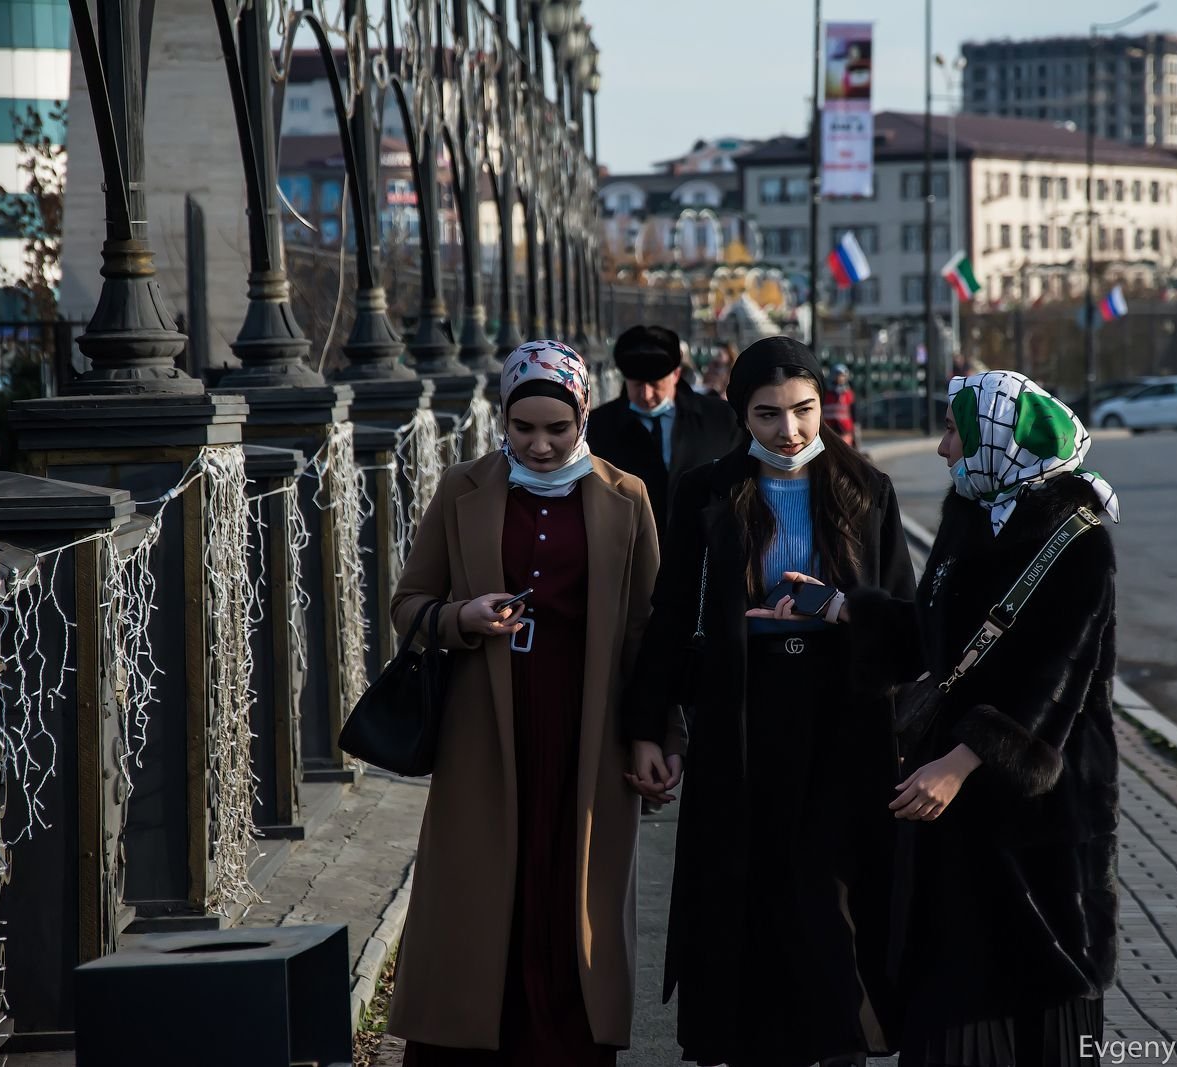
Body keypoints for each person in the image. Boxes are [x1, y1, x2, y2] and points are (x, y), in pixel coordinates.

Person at [387, 339, 681, 1065]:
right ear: (503, 421)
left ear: (584, 413)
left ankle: (567, 1047)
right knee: (483, 889)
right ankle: (464, 1043)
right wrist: (463, 616)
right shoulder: (463, 487)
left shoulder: (626, 495)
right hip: (485, 727)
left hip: (589, 727)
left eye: (559, 427)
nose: (542, 445)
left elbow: (651, 630)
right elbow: (408, 604)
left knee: (574, 891)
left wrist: (656, 735)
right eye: (525, 429)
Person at [624, 336, 916, 1067]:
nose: (789, 430)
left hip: (844, 715)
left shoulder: (867, 487)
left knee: (833, 897)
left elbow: (907, 624)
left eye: (804, 410)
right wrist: (651, 729)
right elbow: (667, 616)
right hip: (742, 714)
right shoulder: (705, 490)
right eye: (768, 415)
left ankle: (842, 1042)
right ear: (739, 414)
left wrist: (839, 608)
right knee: (745, 896)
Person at [844, 370, 1123, 1067]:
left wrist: (961, 760)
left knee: (1039, 1006)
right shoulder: (972, 510)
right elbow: (944, 643)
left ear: (1002, 442)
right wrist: (841, 609)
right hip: (957, 819)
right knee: (952, 1003)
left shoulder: (1075, 534)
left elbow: (1053, 684)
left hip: (1039, 824)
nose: (943, 448)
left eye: (954, 432)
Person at [587, 325, 743, 538]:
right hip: (631, 548)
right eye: (637, 384)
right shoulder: (599, 427)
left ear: (676, 375)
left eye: (654, 383)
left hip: (705, 550)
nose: (646, 394)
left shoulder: (722, 420)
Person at [822, 363, 858, 447]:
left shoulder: (848, 393)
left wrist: (855, 428)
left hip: (845, 429)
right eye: (839, 375)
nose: (841, 378)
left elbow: (853, 411)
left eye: (843, 375)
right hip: (829, 429)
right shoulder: (826, 393)